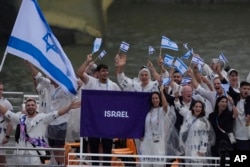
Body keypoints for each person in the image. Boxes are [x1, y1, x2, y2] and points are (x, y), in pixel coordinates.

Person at [0, 98, 80, 166]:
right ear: (25, 107)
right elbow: (7, 113)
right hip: (21, 154)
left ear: (36, 107)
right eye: (28, 105)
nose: (30, 107)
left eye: (32, 105)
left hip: (35, 155)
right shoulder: (20, 118)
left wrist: (69, 107)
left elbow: (58, 113)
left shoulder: (43, 118)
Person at [78, 54, 121, 166]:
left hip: (107, 121)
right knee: (94, 149)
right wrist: (87, 62)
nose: (105, 73)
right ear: (97, 73)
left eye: (106, 71)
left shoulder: (113, 86)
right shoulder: (91, 82)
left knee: (107, 150)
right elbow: (80, 73)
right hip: (93, 121)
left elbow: (121, 101)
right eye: (103, 71)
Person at [177, 99, 214, 166]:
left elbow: (205, 137)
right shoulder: (188, 114)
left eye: (200, 107)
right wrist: (176, 99)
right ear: (193, 107)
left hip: (197, 150)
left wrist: (202, 150)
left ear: (202, 109)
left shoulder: (203, 121)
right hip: (187, 148)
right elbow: (180, 108)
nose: (198, 108)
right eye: (196, 106)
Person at [140, 85, 168, 167]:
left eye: (156, 98)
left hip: (158, 141)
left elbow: (165, 106)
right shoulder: (149, 112)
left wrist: (162, 92)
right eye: (153, 98)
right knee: (146, 163)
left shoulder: (162, 110)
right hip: (147, 140)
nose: (155, 100)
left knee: (158, 163)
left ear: (159, 99)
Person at [230, 81, 250, 151]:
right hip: (234, 137)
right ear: (239, 89)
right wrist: (218, 73)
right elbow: (227, 87)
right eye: (244, 88)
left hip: (246, 138)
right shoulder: (236, 98)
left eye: (248, 89)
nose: (246, 90)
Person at [0, 82, 13, 167]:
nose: (0, 91)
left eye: (1, 89)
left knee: (1, 156)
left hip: (1, 131)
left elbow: (10, 121)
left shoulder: (6, 103)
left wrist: (7, 136)